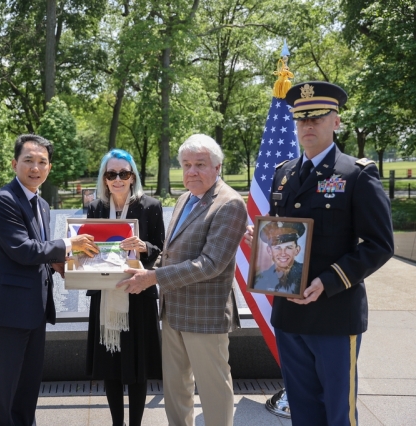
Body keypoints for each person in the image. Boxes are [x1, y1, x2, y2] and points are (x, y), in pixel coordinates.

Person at [244, 81, 394, 425]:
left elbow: (380, 244)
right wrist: (263, 244)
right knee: (303, 410)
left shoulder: (357, 174)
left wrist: (328, 282)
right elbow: (287, 238)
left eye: (317, 117)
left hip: (334, 314)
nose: (307, 126)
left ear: (336, 121)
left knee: (338, 412)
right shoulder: (283, 174)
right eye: (301, 119)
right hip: (289, 314)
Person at [118, 134, 247, 426]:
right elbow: (170, 252)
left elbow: (210, 264)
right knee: (176, 389)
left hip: (205, 315)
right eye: (186, 165)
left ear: (218, 167)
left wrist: (153, 277)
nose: (192, 172)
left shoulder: (229, 204)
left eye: (200, 164)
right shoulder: (184, 199)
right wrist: (138, 263)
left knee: (214, 390)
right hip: (173, 311)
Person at [0, 134, 99, 426]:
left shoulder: (41, 204)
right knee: (6, 388)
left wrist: (59, 263)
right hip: (9, 310)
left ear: (49, 167)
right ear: (14, 164)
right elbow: (22, 250)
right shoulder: (3, 201)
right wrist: (71, 245)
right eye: (28, 160)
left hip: (35, 308)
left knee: (28, 385)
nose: (35, 167)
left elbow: (38, 253)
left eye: (42, 162)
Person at [85, 149, 165, 426]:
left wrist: (145, 247)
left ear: (133, 177)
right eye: (111, 174)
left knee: (138, 366)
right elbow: (87, 249)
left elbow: (162, 249)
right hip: (106, 295)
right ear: (104, 179)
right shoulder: (95, 208)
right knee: (111, 367)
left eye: (123, 173)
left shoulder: (150, 206)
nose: (118, 179)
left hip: (138, 294)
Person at [253, 221, 306, 295]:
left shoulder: (307, 274)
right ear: (269, 251)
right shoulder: (261, 280)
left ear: (297, 250)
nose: (283, 253)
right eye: (278, 248)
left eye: (288, 247)